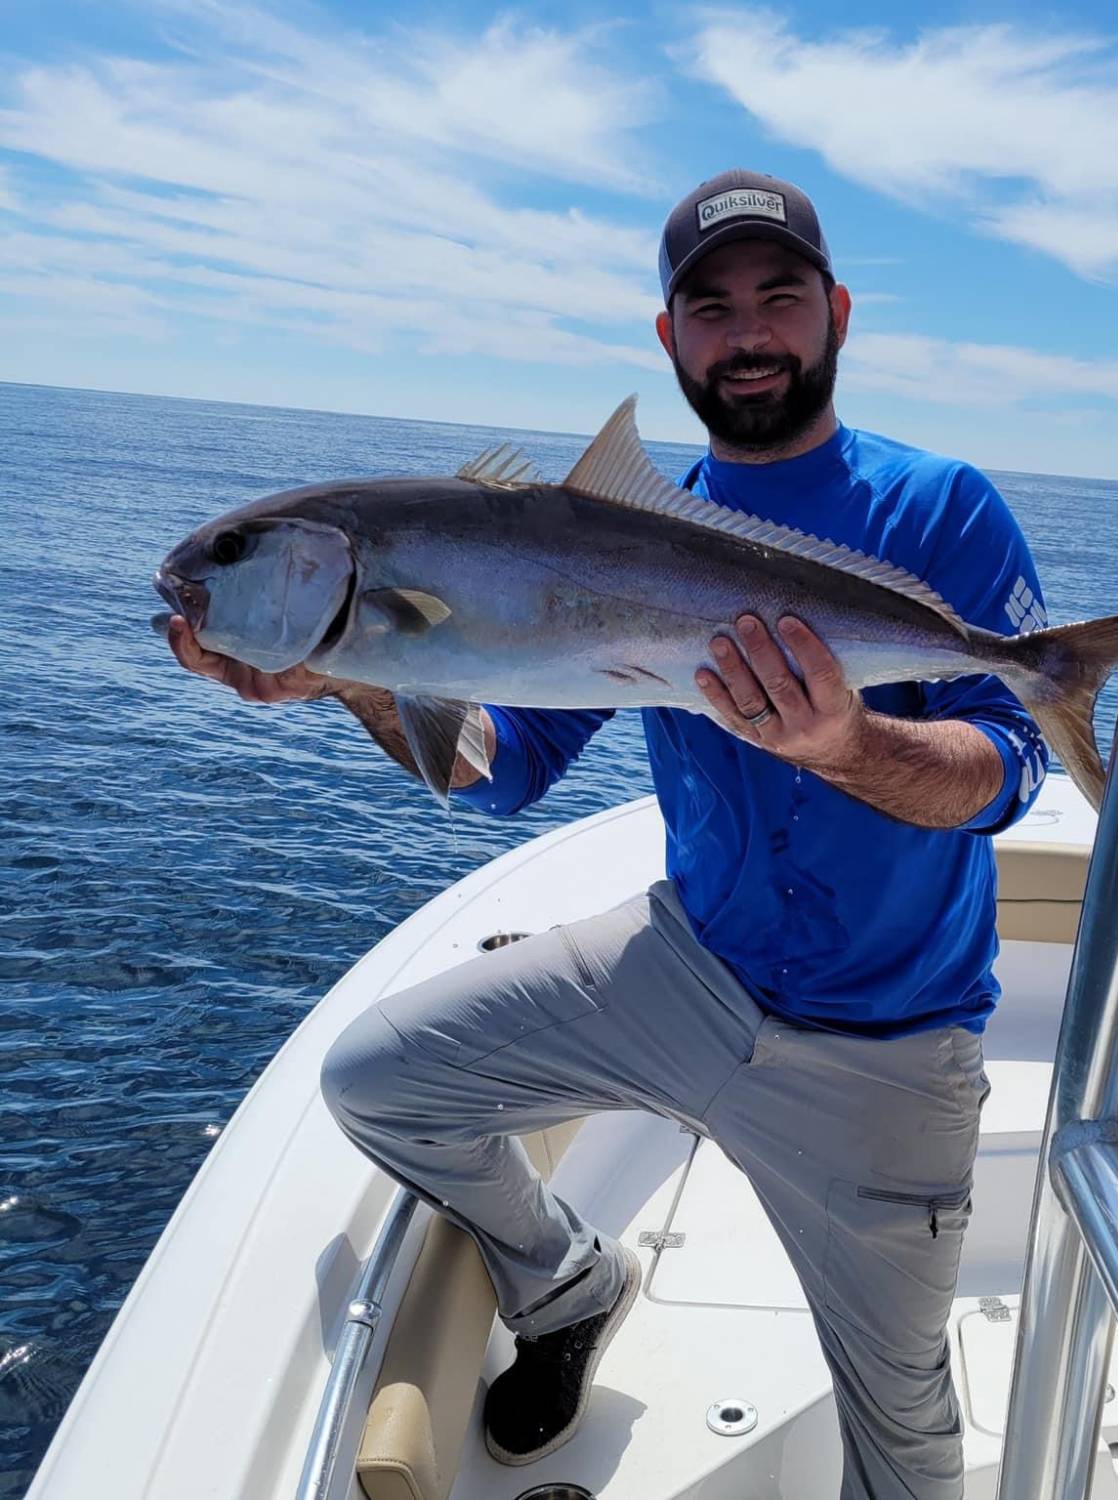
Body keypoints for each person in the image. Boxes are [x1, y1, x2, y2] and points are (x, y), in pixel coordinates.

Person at [168, 167, 1050, 1499]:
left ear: (838, 314)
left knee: (910, 1448)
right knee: (378, 1082)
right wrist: (355, 677)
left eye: (779, 296)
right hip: (686, 968)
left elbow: (1008, 773)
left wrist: (849, 744)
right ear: (668, 339)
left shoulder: (939, 513)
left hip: (886, 1040)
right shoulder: (618, 523)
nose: (747, 332)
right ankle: (567, 1282)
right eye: (710, 307)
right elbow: (505, 768)